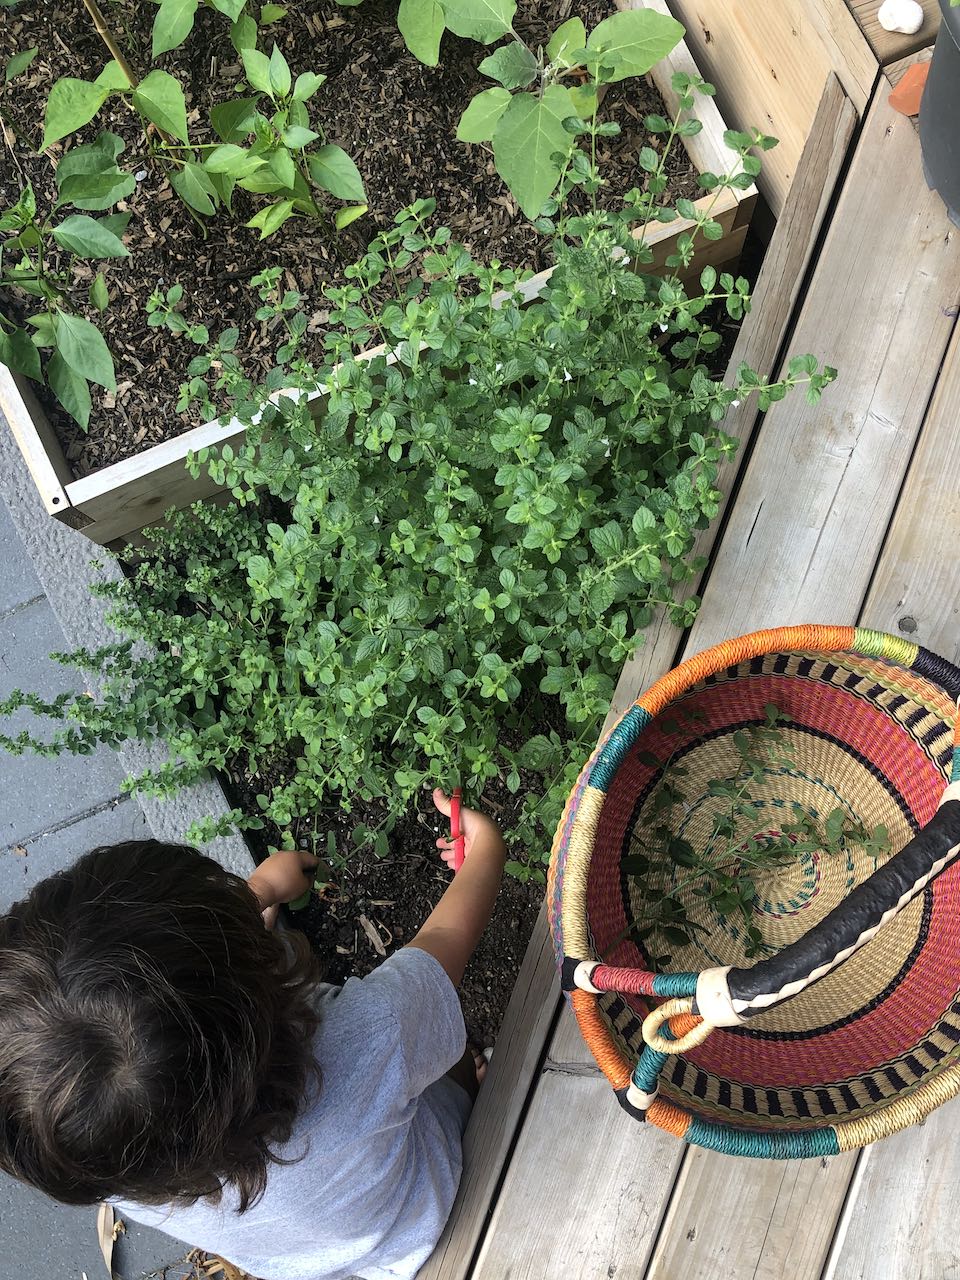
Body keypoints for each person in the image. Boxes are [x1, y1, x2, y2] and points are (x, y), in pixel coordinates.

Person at [0, 789, 506, 1280]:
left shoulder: (108, 1159)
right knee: (449, 1052)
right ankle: (472, 1081)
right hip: (430, 1206)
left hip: (330, 1255)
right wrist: (486, 848)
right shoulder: (372, 1034)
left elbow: (176, 1015)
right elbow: (441, 943)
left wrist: (256, 895)